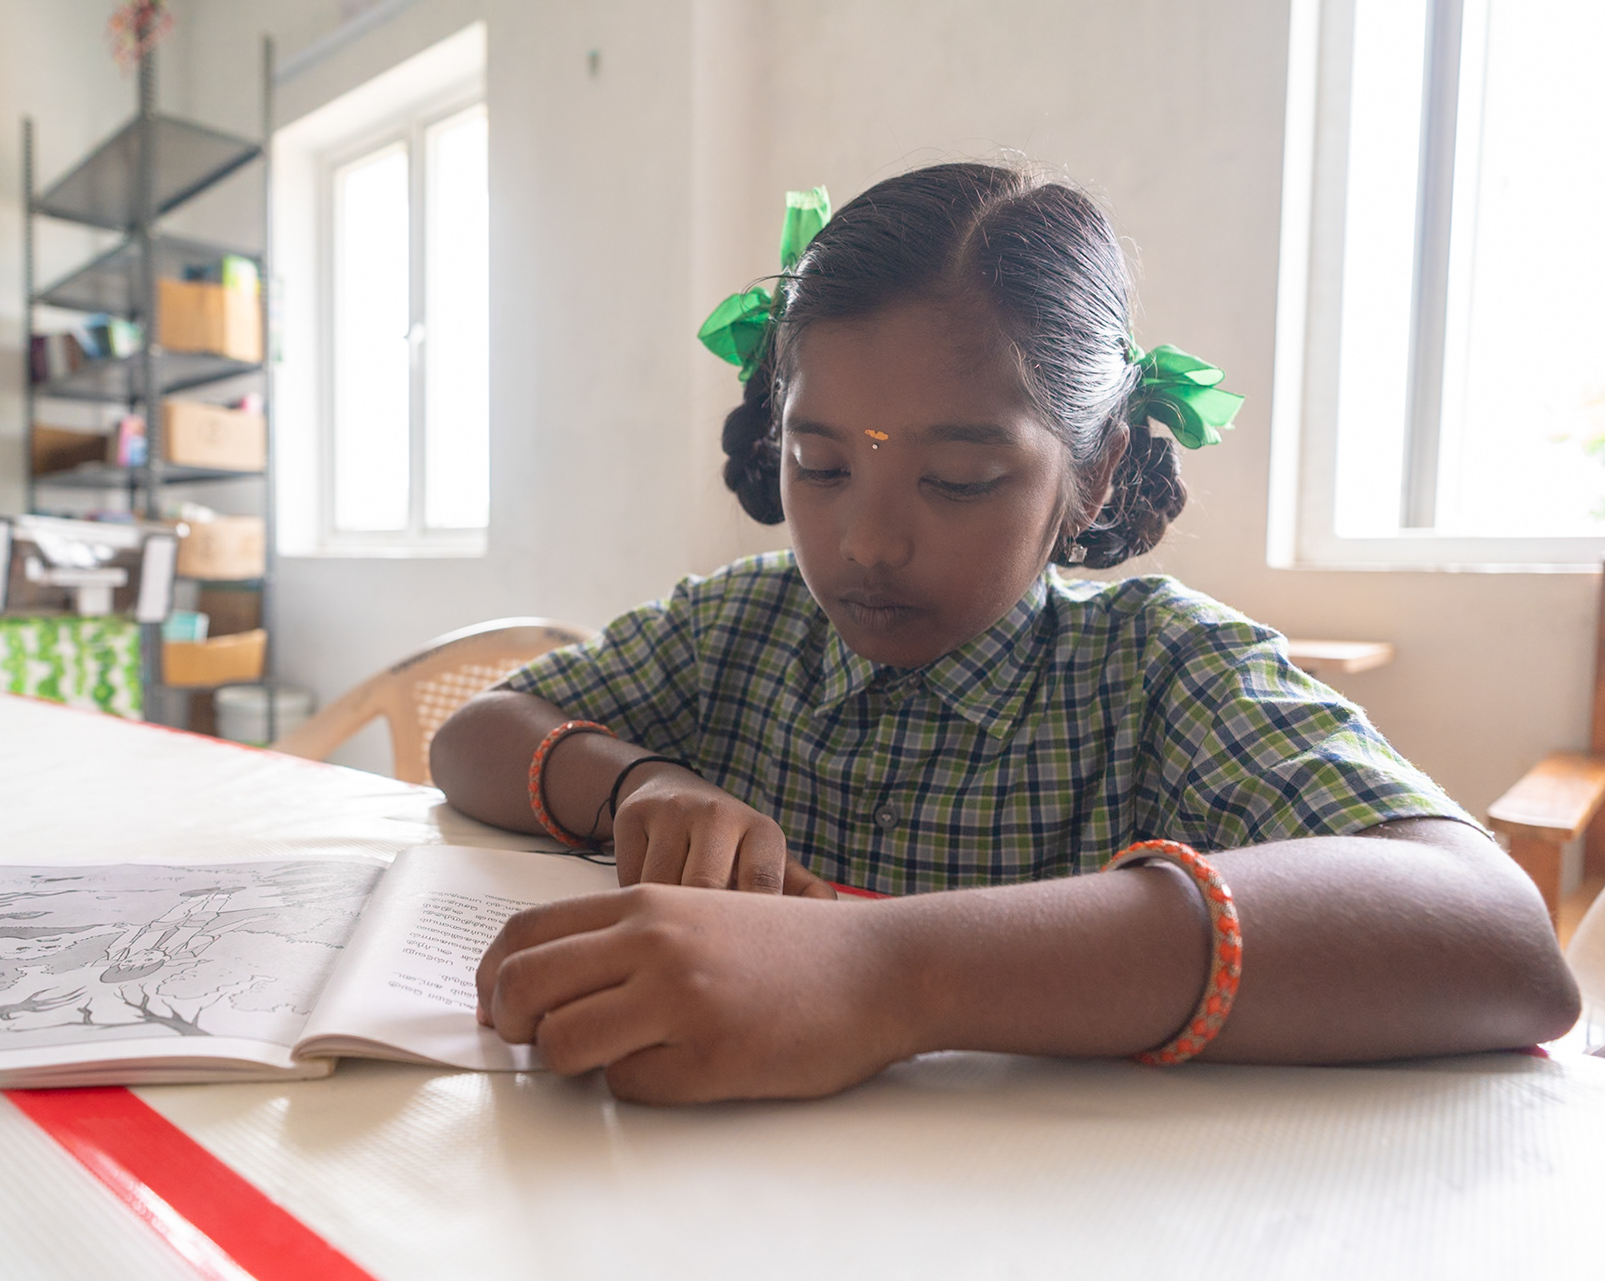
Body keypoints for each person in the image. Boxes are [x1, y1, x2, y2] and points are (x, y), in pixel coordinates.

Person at [429, 162, 1579, 1105]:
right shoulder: (738, 629)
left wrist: (886, 973)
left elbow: (1496, 935)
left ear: (1095, 473)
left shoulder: (1157, 673)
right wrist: (636, 784)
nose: (868, 542)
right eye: (819, 465)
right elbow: (475, 733)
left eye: (961, 480)